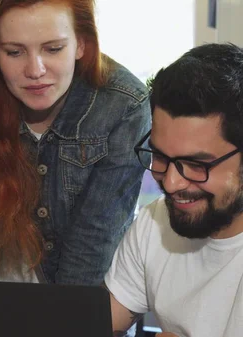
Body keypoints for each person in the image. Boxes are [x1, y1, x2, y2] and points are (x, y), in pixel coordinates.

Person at [0, 0, 150, 284]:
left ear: (81, 43)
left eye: (53, 49)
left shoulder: (123, 104)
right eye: (14, 52)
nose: (35, 70)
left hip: (81, 300)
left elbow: (93, 242)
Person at [105, 43, 243, 337]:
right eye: (161, 157)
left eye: (195, 164)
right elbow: (103, 318)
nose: (170, 183)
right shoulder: (155, 222)